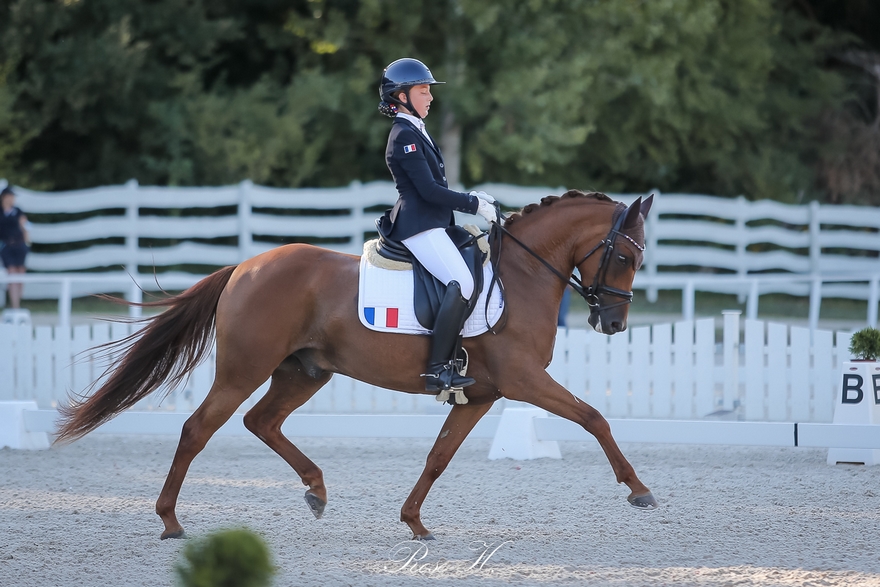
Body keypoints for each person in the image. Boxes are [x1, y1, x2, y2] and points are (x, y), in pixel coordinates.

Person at [377, 58, 497, 393]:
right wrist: (473, 205)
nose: (430, 97)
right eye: (423, 90)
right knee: (462, 282)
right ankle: (437, 369)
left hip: (434, 222)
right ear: (401, 96)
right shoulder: (404, 136)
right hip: (419, 226)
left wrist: (471, 196)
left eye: (429, 90)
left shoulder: (416, 129)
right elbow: (429, 191)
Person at [0, 187, 30, 309]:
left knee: (20, 274)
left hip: (20, 245)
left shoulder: (18, 211)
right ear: (4, 197)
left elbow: (26, 227)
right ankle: (15, 305)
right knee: (12, 273)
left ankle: (18, 302)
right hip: (6, 246)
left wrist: (27, 243)